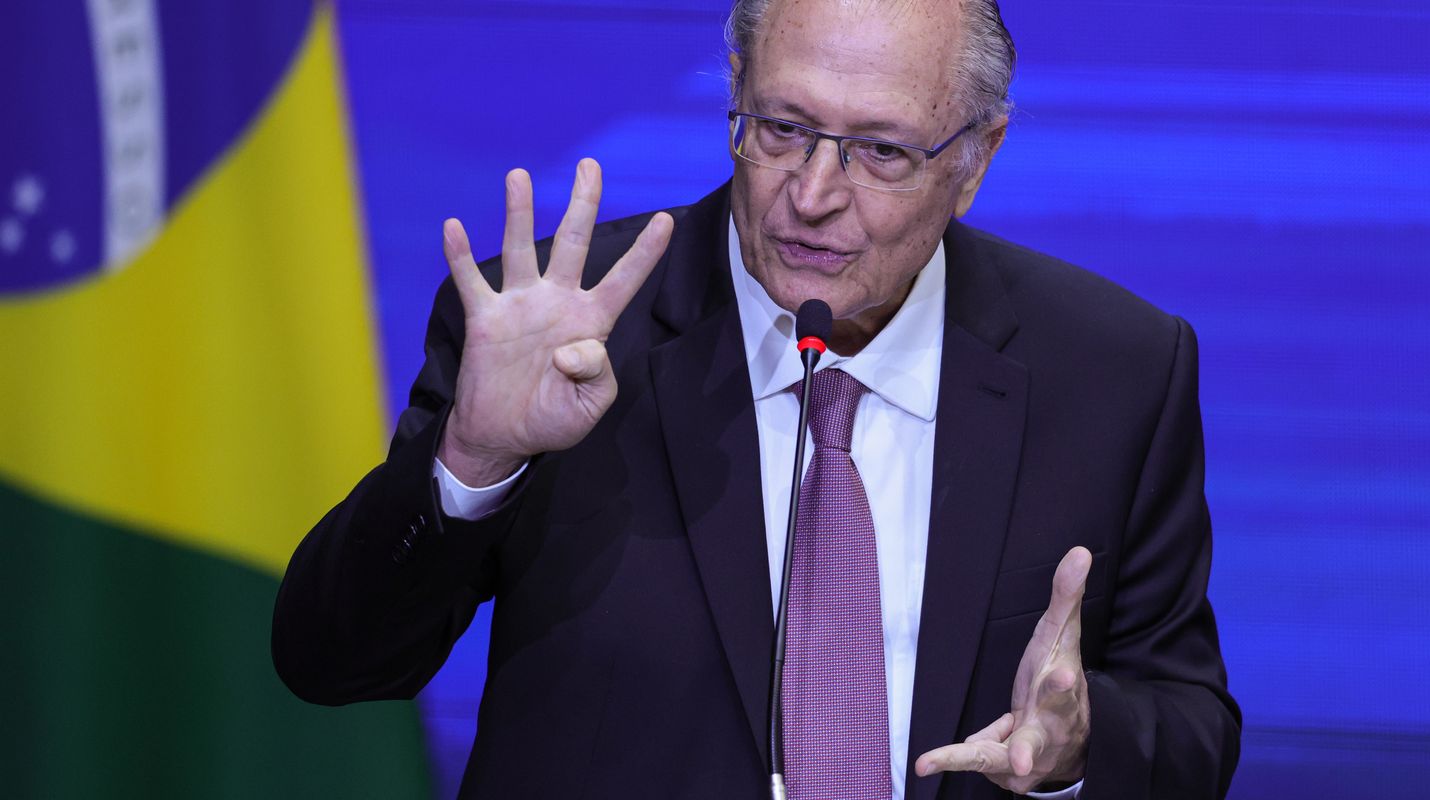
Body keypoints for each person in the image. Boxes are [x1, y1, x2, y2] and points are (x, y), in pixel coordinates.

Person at [272, 0, 1241, 797]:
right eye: (782, 128)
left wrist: (1079, 747)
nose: (812, 194)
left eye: (880, 151)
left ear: (975, 157)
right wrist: (474, 460)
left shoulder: (1111, 370)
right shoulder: (555, 333)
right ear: (735, 92)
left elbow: (1192, 724)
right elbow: (329, 661)